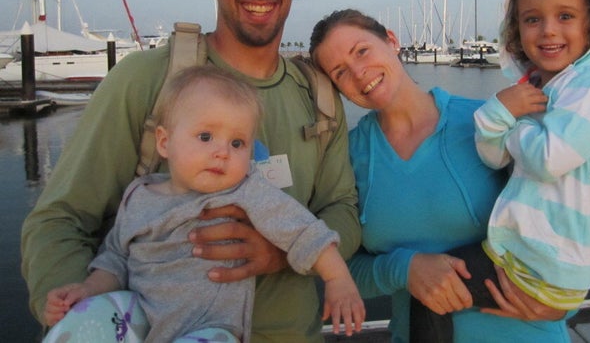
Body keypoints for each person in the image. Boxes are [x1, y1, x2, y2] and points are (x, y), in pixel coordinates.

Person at [22, 0, 361, 343]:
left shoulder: (319, 97)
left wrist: (281, 252)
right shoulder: (146, 79)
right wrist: (77, 318)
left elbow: (343, 211)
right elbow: (59, 221)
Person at [42, 66, 365, 342]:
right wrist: (87, 290)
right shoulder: (138, 195)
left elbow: (305, 232)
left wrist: (338, 280)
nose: (222, 152)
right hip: (141, 322)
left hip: (210, 331)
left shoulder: (245, 191)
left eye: (237, 143)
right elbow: (115, 258)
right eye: (206, 137)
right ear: (165, 142)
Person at [309, 9, 571, 343]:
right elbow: (341, 268)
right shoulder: (348, 156)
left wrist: (565, 305)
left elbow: (572, 216)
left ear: (391, 41)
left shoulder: (487, 121)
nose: (359, 73)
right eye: (340, 72)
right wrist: (406, 269)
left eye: (362, 51)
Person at [411, 0, 590, 342]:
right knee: (434, 279)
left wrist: (508, 120)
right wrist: (501, 111)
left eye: (565, 16)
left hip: (553, 262)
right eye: (533, 19)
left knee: (430, 287)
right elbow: (491, 155)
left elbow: (550, 158)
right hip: (528, 254)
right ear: (516, 28)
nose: (548, 30)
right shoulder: (534, 88)